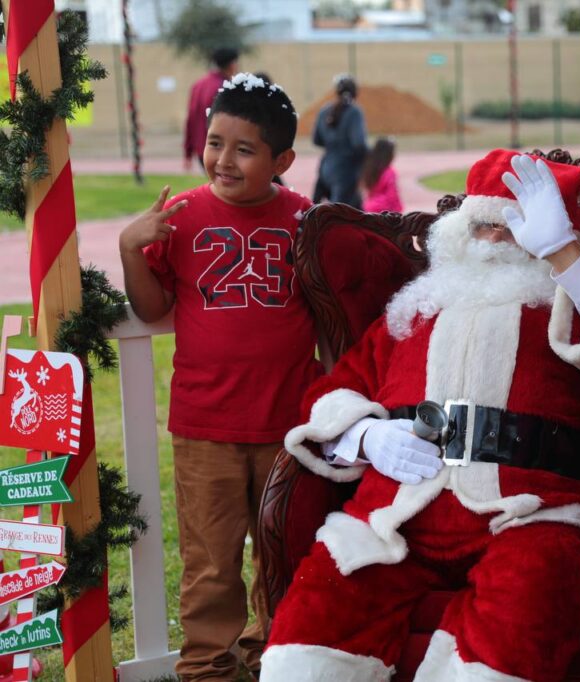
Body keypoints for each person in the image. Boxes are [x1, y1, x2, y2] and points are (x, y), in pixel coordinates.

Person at [259, 149, 580, 680]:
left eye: (510, 228)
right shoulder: (415, 310)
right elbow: (335, 389)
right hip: (397, 513)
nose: (491, 241)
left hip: (530, 515)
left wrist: (567, 258)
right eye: (480, 226)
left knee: (527, 605)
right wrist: (367, 436)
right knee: (319, 617)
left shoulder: (579, 302)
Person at [119, 73, 322, 681]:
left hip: (288, 425)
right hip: (205, 424)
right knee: (211, 559)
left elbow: (332, 306)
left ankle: (278, 656)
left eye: (244, 148)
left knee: (284, 552)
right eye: (214, 142)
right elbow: (153, 309)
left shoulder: (306, 220)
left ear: (282, 159)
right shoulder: (182, 216)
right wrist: (133, 249)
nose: (222, 159)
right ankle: (208, 665)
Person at [312, 73, 368, 206]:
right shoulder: (354, 112)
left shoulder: (324, 111)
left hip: (325, 169)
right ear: (355, 93)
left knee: (318, 212)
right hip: (346, 173)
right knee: (345, 216)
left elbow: (316, 140)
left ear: (336, 91)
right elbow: (359, 144)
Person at [183, 47, 239, 171]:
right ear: (232, 64)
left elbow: (190, 118)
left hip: (202, 149)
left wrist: (188, 151)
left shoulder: (198, 85)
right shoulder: (227, 87)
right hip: (222, 149)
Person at [361, 137, 403, 213]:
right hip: (385, 211)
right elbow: (392, 195)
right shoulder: (389, 172)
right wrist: (398, 210)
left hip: (369, 207)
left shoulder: (370, 169)